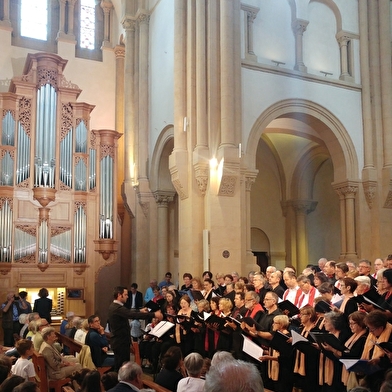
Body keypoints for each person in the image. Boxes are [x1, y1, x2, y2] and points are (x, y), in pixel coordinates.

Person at [107, 286, 162, 371]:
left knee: (121, 366)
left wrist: (140, 311)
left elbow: (128, 312)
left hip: (119, 340)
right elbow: (131, 314)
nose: (127, 296)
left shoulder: (115, 306)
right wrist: (154, 315)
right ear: (119, 295)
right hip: (120, 341)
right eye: (125, 294)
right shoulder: (117, 308)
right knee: (122, 367)